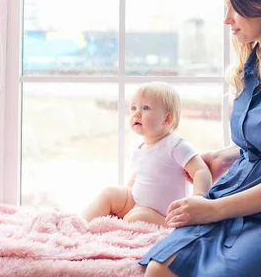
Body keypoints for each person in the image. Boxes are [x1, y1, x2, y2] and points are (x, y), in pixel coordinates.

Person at [140, 0, 261, 277]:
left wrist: (214, 210)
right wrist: (221, 154)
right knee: (157, 270)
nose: (226, 19)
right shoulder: (256, 62)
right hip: (231, 195)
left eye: (233, 7)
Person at [81, 82, 212, 227]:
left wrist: (199, 198)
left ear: (167, 119)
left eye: (146, 108)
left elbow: (201, 170)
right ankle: (80, 224)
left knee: (135, 217)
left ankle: (169, 226)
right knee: (110, 193)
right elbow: (137, 176)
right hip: (137, 202)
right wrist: (123, 197)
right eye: (133, 108)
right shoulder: (140, 147)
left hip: (164, 215)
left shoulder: (175, 145)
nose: (136, 113)